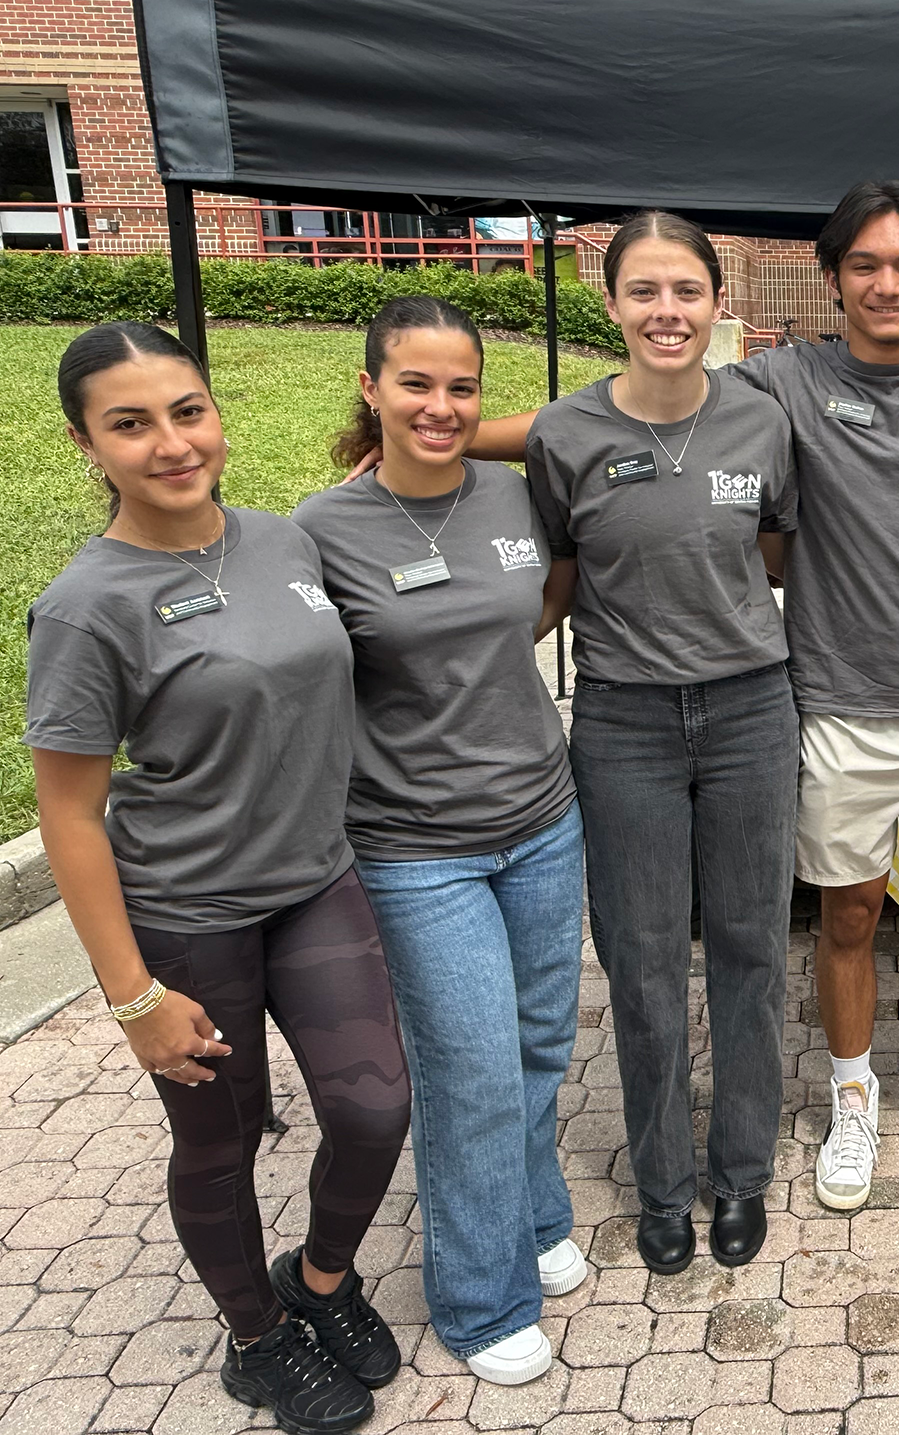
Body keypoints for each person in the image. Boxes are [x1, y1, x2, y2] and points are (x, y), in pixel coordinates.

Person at [421, 183, 899, 1213]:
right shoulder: (779, 385)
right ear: (832, 276)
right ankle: (852, 1103)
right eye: (865, 265)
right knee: (844, 918)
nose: (886, 284)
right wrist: (439, 430)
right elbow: (615, 409)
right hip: (831, 701)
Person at [28, 323, 408, 1433]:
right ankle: (256, 1340)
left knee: (375, 1108)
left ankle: (319, 1282)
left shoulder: (285, 541)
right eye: (130, 424)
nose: (170, 443)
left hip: (313, 881)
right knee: (223, 1139)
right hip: (188, 913)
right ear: (85, 444)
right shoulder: (86, 606)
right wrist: (133, 996)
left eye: (186, 411)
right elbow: (68, 813)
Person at [293, 298, 583, 1385]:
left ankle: (536, 1211)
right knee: (471, 1073)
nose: (442, 406)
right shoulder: (319, 531)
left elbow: (546, 595)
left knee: (540, 1045)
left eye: (461, 386)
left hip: (544, 821)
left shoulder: (510, 495)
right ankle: (477, 1298)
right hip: (417, 849)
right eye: (417, 384)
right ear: (371, 387)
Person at [528, 212, 799, 1274]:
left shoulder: (762, 423)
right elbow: (550, 576)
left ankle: (740, 1172)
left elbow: (773, 550)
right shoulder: (565, 436)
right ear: (611, 305)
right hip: (625, 722)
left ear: (718, 300)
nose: (666, 312)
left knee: (749, 949)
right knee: (639, 964)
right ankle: (663, 1185)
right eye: (643, 291)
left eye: (685, 290)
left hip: (747, 713)